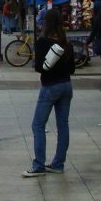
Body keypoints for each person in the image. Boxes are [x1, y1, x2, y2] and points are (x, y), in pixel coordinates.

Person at [23, 9, 75, 176]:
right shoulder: (66, 43)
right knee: (63, 125)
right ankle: (58, 164)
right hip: (67, 85)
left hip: (50, 86)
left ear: (45, 23)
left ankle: (39, 165)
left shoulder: (43, 42)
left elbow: (39, 67)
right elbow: (72, 68)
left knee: (37, 125)